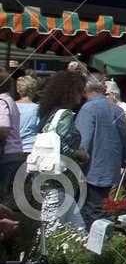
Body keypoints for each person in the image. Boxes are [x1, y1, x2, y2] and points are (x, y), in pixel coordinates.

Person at [33, 70, 87, 233]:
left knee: (78, 231)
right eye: (79, 90)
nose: (82, 95)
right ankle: (42, 258)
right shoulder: (65, 115)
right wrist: (81, 154)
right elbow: (62, 147)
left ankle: (79, 257)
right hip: (58, 182)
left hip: (53, 181)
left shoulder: (48, 113)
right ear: (69, 92)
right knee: (50, 232)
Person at [75, 74, 126, 222]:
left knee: (89, 217)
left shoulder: (88, 109)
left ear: (84, 89)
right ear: (104, 88)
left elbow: (82, 144)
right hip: (110, 172)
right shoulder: (117, 110)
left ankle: (94, 244)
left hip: (91, 172)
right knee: (101, 214)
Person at [0, 77, 25, 208]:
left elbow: (4, 129)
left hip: (7, 154)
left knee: (2, 198)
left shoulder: (1, 101)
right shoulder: (8, 100)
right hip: (14, 153)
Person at [14, 75, 40, 156]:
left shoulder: (11, 106)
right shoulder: (38, 109)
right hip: (30, 149)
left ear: (18, 90)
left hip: (11, 148)